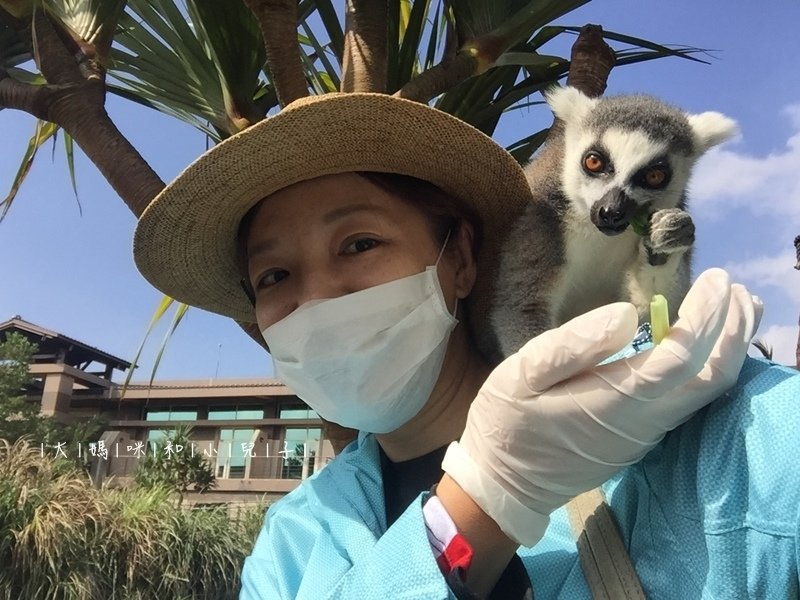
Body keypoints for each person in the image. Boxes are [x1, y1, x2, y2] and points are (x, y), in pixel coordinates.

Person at [133, 92, 800, 599]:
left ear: (461, 261)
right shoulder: (294, 538)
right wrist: (483, 500)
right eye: (273, 275)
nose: (316, 298)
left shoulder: (736, 439)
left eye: (360, 244)